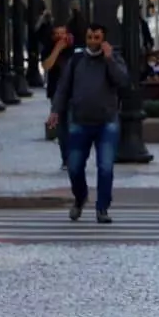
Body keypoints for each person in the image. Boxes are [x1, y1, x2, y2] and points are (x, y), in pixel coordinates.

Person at [47, 24, 129, 224]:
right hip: (80, 121)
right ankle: (80, 197)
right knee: (74, 166)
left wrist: (109, 59)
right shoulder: (76, 60)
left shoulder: (113, 58)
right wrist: (55, 111)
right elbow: (63, 88)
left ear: (104, 39)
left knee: (105, 167)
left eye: (97, 37)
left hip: (106, 122)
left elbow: (123, 81)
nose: (93, 41)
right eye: (90, 37)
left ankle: (102, 208)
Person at [42, 23, 76, 168]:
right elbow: (46, 66)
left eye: (63, 34)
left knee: (72, 123)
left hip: (74, 92)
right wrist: (57, 49)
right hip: (56, 91)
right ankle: (66, 158)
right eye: (57, 34)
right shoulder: (49, 49)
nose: (60, 37)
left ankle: (74, 156)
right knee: (62, 126)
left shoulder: (74, 50)